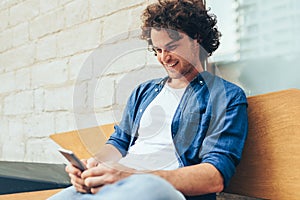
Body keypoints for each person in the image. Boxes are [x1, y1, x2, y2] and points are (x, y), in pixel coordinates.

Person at [49, 0, 248, 199]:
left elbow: (215, 177)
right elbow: (119, 142)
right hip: (121, 183)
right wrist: (93, 167)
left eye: (171, 47)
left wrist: (132, 176)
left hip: (163, 189)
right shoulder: (144, 92)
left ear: (196, 40)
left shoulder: (226, 96)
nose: (164, 58)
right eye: (158, 50)